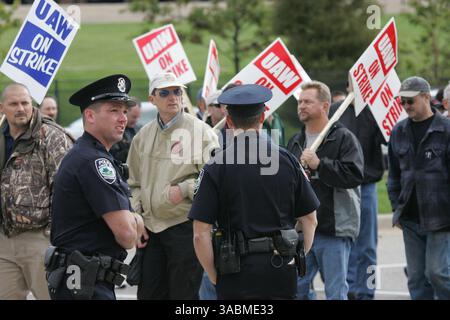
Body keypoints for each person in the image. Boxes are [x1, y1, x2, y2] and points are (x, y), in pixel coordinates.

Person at [189, 84, 320, 299]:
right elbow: (310, 219)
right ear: (262, 117)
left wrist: (214, 276)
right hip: (280, 267)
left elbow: (200, 233)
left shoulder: (215, 166)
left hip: (234, 271)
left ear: (229, 121)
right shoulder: (288, 161)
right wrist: (297, 256)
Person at [47, 74, 147, 300]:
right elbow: (127, 235)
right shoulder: (94, 161)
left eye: (124, 110)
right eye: (114, 110)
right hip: (86, 284)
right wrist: (137, 219)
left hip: (86, 281)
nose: (123, 118)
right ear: (90, 115)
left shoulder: (90, 155)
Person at [127, 72, 218, 300]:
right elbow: (133, 182)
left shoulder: (202, 132)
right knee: (148, 295)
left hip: (184, 226)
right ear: (152, 99)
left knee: (184, 297)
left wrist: (186, 189)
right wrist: (137, 217)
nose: (173, 97)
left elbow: (215, 181)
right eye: (165, 92)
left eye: (177, 91)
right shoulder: (142, 136)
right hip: (150, 230)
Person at [287, 80, 364, 300]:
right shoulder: (295, 142)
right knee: (297, 290)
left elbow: (355, 175)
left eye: (307, 102)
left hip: (334, 228)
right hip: (301, 229)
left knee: (335, 292)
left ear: (325, 106)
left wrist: (320, 165)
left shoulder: (343, 138)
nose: (301, 106)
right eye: (300, 102)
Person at [0, 83, 73, 300]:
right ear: (2, 107)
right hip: (4, 240)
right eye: (14, 104)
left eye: (25, 102)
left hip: (41, 239)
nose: (21, 108)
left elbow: (67, 191)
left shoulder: (52, 137)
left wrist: (54, 235)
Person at [387, 76, 450, 300]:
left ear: (426, 97)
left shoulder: (446, 129)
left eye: (410, 101)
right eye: (402, 102)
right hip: (410, 218)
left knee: (438, 273)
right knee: (415, 277)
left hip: (441, 217)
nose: (405, 106)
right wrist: (397, 207)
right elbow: (394, 175)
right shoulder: (398, 131)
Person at [329, 84, 386, 300]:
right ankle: (349, 289)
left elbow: (387, 137)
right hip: (342, 186)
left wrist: (376, 109)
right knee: (345, 242)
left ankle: (367, 292)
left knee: (368, 247)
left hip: (367, 186)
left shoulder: (374, 111)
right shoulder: (337, 110)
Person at [110, 97, 142, 163]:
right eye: (134, 117)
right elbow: (114, 156)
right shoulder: (114, 130)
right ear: (126, 112)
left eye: (138, 117)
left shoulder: (140, 129)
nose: (136, 120)